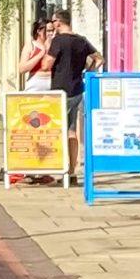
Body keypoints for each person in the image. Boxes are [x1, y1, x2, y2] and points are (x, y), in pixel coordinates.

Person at [46, 11, 98, 175]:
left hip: (59, 90)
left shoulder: (58, 40)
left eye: (53, 21)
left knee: (56, 128)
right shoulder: (81, 40)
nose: (52, 25)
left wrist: (48, 46)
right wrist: (88, 72)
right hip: (76, 89)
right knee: (71, 130)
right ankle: (71, 170)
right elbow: (99, 59)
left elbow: (47, 63)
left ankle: (59, 166)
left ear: (59, 22)